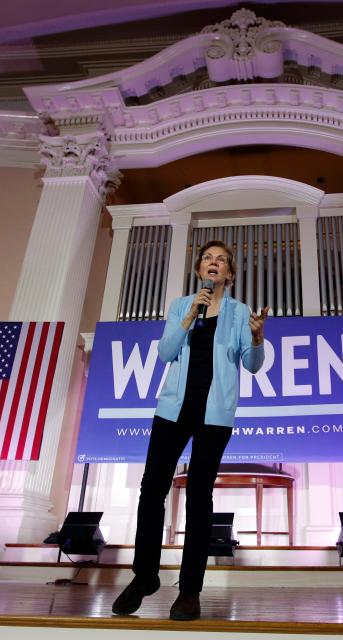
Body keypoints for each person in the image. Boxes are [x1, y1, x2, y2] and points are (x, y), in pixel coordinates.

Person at [111, 239, 269, 621]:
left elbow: (251, 365)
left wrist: (258, 338)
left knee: (199, 496)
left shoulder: (238, 312)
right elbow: (166, 353)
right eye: (207, 259)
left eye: (221, 261)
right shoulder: (182, 305)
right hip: (172, 410)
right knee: (152, 491)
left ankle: (190, 590)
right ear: (200, 269)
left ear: (229, 274)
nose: (214, 264)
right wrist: (186, 319)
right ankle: (144, 576)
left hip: (213, 414)